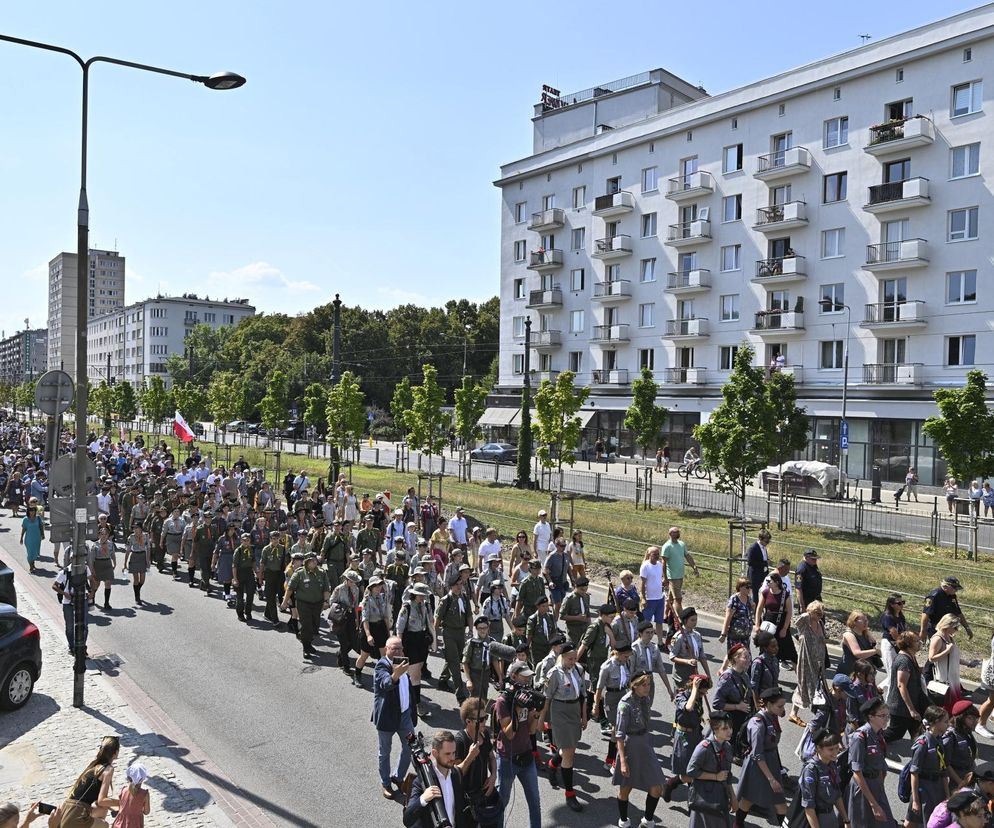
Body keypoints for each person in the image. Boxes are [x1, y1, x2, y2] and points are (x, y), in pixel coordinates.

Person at [613, 670, 666, 828]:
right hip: (631, 747)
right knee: (626, 787)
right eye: (643, 684)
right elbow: (619, 735)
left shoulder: (646, 699)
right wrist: (622, 761)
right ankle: (623, 820)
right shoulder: (625, 703)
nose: (647, 687)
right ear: (634, 686)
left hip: (645, 743)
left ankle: (647, 820)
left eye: (649, 684)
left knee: (657, 786)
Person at [494, 661, 543, 828]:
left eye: (529, 677)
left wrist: (535, 714)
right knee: (502, 801)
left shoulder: (526, 697)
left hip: (526, 756)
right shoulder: (503, 700)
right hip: (508, 758)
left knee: (535, 802)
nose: (527, 681)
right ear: (513, 676)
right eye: (525, 677)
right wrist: (516, 709)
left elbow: (531, 731)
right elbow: (509, 733)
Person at [540, 643, 587, 812]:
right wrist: (542, 720)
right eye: (570, 659)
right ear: (562, 657)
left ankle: (553, 764)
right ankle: (570, 794)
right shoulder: (554, 673)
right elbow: (547, 698)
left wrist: (584, 715)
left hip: (574, 710)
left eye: (575, 658)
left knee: (570, 749)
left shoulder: (577, 669)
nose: (573, 661)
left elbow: (582, 694)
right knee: (569, 755)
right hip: (559, 712)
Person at [734, 688, 788, 828]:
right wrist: (771, 779)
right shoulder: (758, 723)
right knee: (748, 799)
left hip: (771, 761)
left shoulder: (772, 715)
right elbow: (757, 754)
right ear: (769, 705)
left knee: (779, 802)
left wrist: (780, 711)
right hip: (758, 766)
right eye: (780, 706)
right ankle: (738, 824)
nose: (782, 710)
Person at [373, 636, 418, 801]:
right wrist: (395, 675)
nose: (398, 652)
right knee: (384, 752)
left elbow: (409, 690)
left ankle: (398, 777)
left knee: (410, 747)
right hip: (387, 718)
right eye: (394, 649)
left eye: (400, 648)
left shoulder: (403, 664)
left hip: (404, 716)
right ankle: (386, 783)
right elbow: (385, 684)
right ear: (386, 649)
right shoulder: (381, 666)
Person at [847, 697, 893, 828]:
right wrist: (873, 804)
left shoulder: (878, 734)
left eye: (887, 716)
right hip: (863, 788)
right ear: (871, 717)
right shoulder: (860, 737)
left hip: (876, 784)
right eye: (882, 716)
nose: (886, 719)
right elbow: (857, 772)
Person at [664, 674, 710, 803]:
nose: (705, 693)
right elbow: (688, 708)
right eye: (703, 690)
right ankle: (671, 784)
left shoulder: (698, 697)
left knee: (695, 767)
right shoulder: (681, 696)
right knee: (687, 771)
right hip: (684, 736)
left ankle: (692, 801)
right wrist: (695, 689)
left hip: (695, 734)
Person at [56, 736, 121, 827]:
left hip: (67, 811)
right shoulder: (108, 769)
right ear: (116, 753)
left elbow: (100, 802)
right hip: (77, 815)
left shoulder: (93, 766)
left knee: (103, 808)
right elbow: (102, 800)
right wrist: (122, 803)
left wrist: (113, 808)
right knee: (104, 825)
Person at [687, 711, 737, 828]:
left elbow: (727, 774)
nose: (730, 731)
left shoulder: (727, 746)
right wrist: (715, 776)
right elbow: (691, 771)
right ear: (715, 729)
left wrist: (733, 797)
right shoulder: (704, 748)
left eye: (730, 727)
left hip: (720, 796)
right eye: (725, 728)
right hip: (705, 798)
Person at [454, 698, 498, 827]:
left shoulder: (483, 733)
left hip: (483, 794)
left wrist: (493, 776)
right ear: (468, 721)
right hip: (467, 799)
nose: (485, 722)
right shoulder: (460, 741)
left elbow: (491, 757)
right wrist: (470, 756)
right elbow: (456, 774)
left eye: (486, 717)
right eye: (481, 719)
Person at [908, 705, 951, 827]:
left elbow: (943, 771)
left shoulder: (939, 740)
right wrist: (915, 800)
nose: (948, 724)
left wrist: (947, 795)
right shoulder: (923, 743)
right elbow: (914, 772)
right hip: (925, 789)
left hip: (938, 788)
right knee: (924, 822)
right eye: (945, 722)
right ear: (936, 723)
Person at [883, 630, 929, 742]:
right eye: (917, 641)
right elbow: (901, 685)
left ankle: (922, 753)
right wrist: (911, 710)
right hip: (901, 707)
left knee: (918, 732)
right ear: (908, 644)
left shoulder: (911, 657)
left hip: (913, 703)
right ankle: (870, 741)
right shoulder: (904, 661)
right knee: (895, 733)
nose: (920, 642)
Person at [282, 553, 330, 659]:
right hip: (304, 604)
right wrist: (285, 601)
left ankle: (306, 640)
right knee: (306, 626)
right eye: (312, 560)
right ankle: (306, 647)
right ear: (307, 562)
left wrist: (326, 601)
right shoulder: (299, 573)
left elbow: (326, 588)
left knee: (315, 626)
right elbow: (290, 589)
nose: (314, 561)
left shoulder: (322, 573)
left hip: (317, 604)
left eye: (315, 560)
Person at [800, 730, 850, 828]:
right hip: (817, 819)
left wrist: (846, 820)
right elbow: (809, 807)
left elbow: (837, 794)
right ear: (819, 748)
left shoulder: (832, 764)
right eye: (831, 749)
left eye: (836, 748)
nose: (835, 752)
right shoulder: (811, 771)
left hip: (830, 815)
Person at [789, 600, 827, 727]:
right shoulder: (805, 622)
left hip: (817, 661)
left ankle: (819, 714)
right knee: (803, 684)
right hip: (806, 660)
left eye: (821, 613)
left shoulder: (819, 623)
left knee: (818, 686)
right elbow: (796, 621)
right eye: (817, 613)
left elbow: (822, 639)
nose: (819, 616)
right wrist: (808, 613)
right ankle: (794, 713)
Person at [596, 643, 634, 769]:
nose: (627, 659)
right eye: (625, 656)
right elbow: (599, 688)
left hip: (623, 694)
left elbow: (628, 681)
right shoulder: (607, 666)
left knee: (623, 726)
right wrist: (595, 706)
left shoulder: (625, 663)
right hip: (611, 698)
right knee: (616, 728)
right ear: (618, 654)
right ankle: (610, 759)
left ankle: (618, 756)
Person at [713, 643, 753, 755]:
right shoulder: (727, 678)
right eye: (745, 657)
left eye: (749, 656)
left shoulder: (744, 675)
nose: (749, 660)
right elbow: (716, 703)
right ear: (736, 658)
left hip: (742, 719)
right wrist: (737, 706)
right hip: (730, 721)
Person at [436, 580, 472, 700]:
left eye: (460, 584)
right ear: (451, 586)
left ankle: (442, 680)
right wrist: (434, 638)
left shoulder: (464, 598)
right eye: (456, 585)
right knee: (455, 663)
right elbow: (438, 619)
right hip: (449, 633)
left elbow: (469, 615)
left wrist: (471, 630)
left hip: (461, 632)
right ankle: (460, 694)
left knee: (453, 658)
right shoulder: (446, 600)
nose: (459, 587)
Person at [755, 571, 794, 668]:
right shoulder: (765, 592)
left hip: (780, 623)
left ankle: (800, 678)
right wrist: (757, 624)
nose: (768, 583)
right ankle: (763, 671)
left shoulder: (785, 595)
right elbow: (759, 608)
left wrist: (785, 628)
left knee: (790, 652)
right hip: (768, 623)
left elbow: (789, 612)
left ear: (777, 582)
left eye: (770, 581)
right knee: (764, 648)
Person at [661, 526, 699, 621]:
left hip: (680, 575)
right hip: (672, 577)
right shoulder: (667, 546)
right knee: (678, 599)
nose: (677, 534)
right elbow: (664, 563)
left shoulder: (682, 544)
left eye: (678, 532)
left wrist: (694, 566)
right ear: (670, 534)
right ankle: (683, 620)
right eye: (675, 532)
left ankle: (666, 615)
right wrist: (665, 578)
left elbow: (687, 556)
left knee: (670, 597)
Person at [929, 613, 964, 712]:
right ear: (947, 625)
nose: (957, 630)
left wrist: (968, 663)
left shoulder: (949, 637)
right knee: (947, 710)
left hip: (953, 679)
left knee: (954, 709)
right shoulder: (937, 638)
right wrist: (947, 651)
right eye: (955, 627)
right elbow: (931, 658)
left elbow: (953, 657)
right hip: (945, 679)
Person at [53, 562, 91, 655]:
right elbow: (54, 586)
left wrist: (92, 592)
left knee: (84, 625)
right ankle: (72, 647)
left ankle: (82, 647)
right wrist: (65, 594)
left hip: (82, 599)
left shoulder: (85, 568)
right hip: (68, 602)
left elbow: (91, 579)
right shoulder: (64, 572)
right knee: (70, 627)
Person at [921, 577, 974, 642]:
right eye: (955, 588)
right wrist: (923, 631)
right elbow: (925, 614)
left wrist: (967, 628)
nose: (956, 590)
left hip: (947, 628)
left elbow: (958, 612)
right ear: (946, 586)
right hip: (934, 628)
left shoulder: (952, 596)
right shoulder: (934, 596)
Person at [943, 701, 979, 790]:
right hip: (957, 779)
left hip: (969, 774)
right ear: (961, 718)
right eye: (971, 718)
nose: (975, 722)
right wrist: (960, 782)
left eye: (976, 718)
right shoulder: (950, 736)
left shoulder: (966, 730)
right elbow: (946, 764)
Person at [670, 607, 711, 686]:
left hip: (694, 674)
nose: (695, 622)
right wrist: (687, 661)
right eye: (692, 620)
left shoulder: (697, 635)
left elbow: (702, 656)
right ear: (685, 621)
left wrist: (708, 675)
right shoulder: (679, 637)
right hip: (681, 676)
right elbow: (672, 657)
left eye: (696, 619)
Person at [879, 593, 908, 694]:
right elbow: (893, 632)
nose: (901, 605)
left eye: (902, 602)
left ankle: (880, 688)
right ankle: (889, 699)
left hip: (898, 644)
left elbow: (903, 630)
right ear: (891, 604)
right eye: (899, 603)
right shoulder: (887, 616)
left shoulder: (900, 616)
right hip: (889, 645)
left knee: (896, 674)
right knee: (892, 674)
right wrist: (903, 646)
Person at [719, 578, 755, 654]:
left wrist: (753, 606)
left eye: (750, 587)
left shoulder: (749, 599)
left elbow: (750, 615)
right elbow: (728, 617)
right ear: (740, 587)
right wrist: (723, 634)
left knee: (745, 659)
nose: (749, 589)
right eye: (747, 587)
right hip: (735, 636)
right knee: (736, 659)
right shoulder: (734, 599)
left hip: (745, 636)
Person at [639, 546, 666, 642]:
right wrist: (643, 598)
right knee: (646, 622)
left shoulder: (659, 564)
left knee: (659, 621)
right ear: (649, 555)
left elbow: (659, 578)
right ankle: (643, 641)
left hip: (659, 597)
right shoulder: (645, 566)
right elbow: (642, 584)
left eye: (658, 554)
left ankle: (660, 642)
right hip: (649, 598)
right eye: (654, 554)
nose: (657, 556)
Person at [111, 761, 150, 828]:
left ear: (129, 778)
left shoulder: (124, 790)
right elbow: (146, 812)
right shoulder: (144, 794)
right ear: (143, 778)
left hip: (120, 824)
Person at [87, 527, 117, 611]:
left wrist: (114, 562)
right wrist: (92, 569)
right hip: (98, 564)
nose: (104, 536)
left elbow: (113, 554)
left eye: (106, 534)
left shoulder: (110, 544)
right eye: (102, 534)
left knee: (108, 583)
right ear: (99, 535)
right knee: (96, 584)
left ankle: (106, 603)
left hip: (107, 563)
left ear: (108, 535)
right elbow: (92, 558)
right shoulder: (95, 545)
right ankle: (92, 597)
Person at [120, 524, 150, 607]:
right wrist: (125, 563)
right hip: (135, 557)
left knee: (142, 580)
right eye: (134, 528)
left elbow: (148, 548)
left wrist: (148, 560)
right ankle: (137, 597)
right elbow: (128, 550)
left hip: (143, 556)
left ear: (141, 529)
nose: (135, 530)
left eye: (137, 528)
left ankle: (137, 589)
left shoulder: (146, 536)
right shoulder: (131, 537)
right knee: (136, 578)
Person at [750, 631, 780, 709]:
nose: (776, 648)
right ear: (765, 648)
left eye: (777, 645)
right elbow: (754, 686)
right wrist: (757, 704)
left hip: (773, 698)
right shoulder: (758, 663)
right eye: (773, 646)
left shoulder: (775, 660)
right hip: (763, 701)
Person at [232, 532, 257, 623]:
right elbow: (234, 566)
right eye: (244, 540)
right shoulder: (238, 551)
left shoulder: (251, 549)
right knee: (240, 596)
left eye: (247, 540)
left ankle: (248, 612)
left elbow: (253, 561)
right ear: (241, 541)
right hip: (240, 573)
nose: (246, 542)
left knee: (250, 594)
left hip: (249, 573)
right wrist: (235, 579)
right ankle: (240, 614)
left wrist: (256, 572)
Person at [560, 577, 593, 647]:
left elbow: (588, 613)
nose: (584, 592)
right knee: (573, 650)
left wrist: (590, 627)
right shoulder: (569, 599)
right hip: (573, 630)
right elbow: (562, 616)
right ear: (576, 587)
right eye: (581, 589)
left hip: (584, 628)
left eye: (586, 589)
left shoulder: (586, 596)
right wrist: (577, 618)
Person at [544, 538, 571, 623]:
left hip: (563, 583)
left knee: (558, 603)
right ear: (556, 545)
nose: (563, 547)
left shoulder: (566, 556)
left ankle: (551, 616)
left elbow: (568, 568)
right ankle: (554, 624)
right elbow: (545, 570)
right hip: (554, 583)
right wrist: (550, 581)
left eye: (564, 546)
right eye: (562, 546)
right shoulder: (552, 556)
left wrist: (573, 579)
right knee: (558, 604)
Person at [794, 549, 823, 614]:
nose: (815, 560)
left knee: (820, 619)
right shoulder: (801, 569)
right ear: (806, 558)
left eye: (816, 559)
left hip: (816, 598)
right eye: (813, 559)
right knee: (809, 621)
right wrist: (802, 605)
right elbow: (798, 588)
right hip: (807, 601)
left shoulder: (813, 565)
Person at [19, 504, 43, 573]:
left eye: (33, 510)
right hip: (29, 539)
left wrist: (42, 534)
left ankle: (33, 564)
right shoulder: (25, 519)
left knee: (35, 552)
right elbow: (23, 529)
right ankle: (31, 567)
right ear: (28, 511)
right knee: (30, 553)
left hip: (37, 538)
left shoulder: (38, 518)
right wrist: (21, 538)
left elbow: (41, 527)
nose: (32, 512)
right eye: (30, 510)